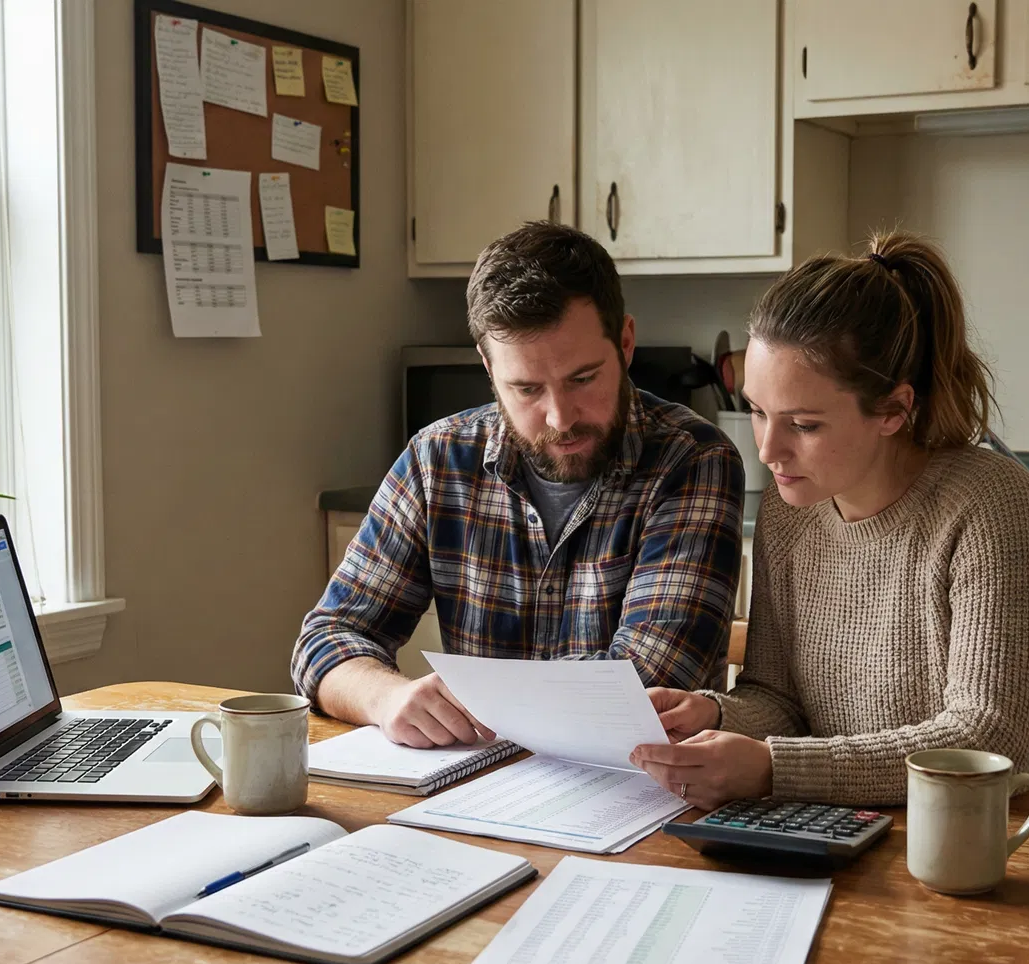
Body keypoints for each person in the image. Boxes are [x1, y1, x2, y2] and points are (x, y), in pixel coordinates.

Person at [629, 232, 1029, 809]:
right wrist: (717, 712)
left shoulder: (990, 503)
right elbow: (779, 696)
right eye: (757, 412)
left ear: (894, 411)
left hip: (1014, 840)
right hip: (852, 830)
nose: (768, 451)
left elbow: (983, 740)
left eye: (804, 425)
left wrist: (774, 769)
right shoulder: (790, 508)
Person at [292, 222, 745, 748]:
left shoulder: (692, 461)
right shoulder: (437, 458)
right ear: (488, 367)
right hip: (476, 790)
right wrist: (386, 697)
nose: (559, 417)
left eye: (583, 378)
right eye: (526, 388)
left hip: (634, 791)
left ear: (625, 343)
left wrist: (476, 701)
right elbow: (325, 639)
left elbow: (646, 683)